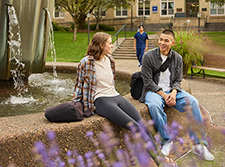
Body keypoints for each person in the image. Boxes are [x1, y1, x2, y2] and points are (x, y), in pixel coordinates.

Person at [72, 32, 177, 166]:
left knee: (142, 124)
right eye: (109, 43)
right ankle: (161, 162)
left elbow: (111, 83)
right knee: (134, 127)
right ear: (101, 45)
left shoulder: (110, 59)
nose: (111, 45)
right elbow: (78, 85)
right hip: (101, 100)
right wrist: (77, 104)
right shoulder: (86, 62)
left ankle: (156, 156)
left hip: (115, 96)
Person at [140, 29, 215, 161]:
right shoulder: (148, 56)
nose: (162, 43)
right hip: (153, 91)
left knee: (193, 102)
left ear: (173, 43)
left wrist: (173, 93)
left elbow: (177, 80)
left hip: (172, 91)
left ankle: (199, 145)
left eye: (166, 41)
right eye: (161, 39)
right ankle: (166, 142)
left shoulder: (177, 58)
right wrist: (164, 95)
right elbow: (147, 81)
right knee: (154, 105)